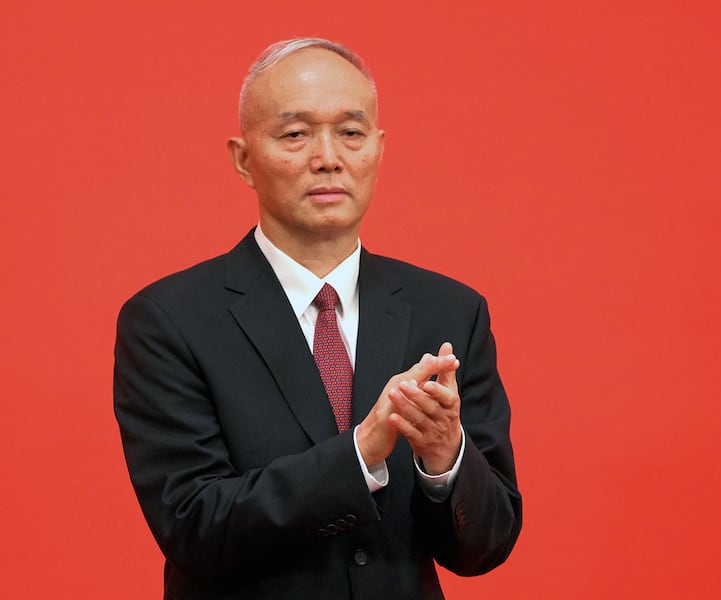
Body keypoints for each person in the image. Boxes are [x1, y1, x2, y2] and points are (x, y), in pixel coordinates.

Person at [114, 37, 522, 600]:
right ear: (243, 160)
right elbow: (194, 530)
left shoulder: (451, 312)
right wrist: (361, 453)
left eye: (351, 133)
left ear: (378, 149)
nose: (328, 157)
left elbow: (487, 545)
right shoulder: (167, 321)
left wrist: (445, 459)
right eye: (295, 134)